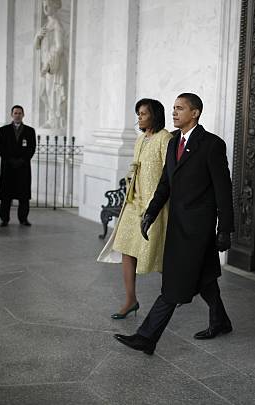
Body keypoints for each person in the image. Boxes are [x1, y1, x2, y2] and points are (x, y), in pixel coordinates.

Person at [113, 93, 234, 355]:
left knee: (174, 283)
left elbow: (224, 190)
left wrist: (225, 229)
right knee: (204, 277)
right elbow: (166, 184)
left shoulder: (212, 144)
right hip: (176, 223)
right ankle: (220, 321)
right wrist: (150, 214)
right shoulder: (173, 143)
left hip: (198, 228)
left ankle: (146, 336)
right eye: (174, 108)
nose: (175, 112)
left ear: (196, 113)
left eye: (180, 108)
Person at [97, 99, 171, 319]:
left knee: (160, 252)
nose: (139, 117)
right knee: (126, 248)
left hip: (154, 205)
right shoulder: (140, 139)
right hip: (133, 203)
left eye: (143, 114)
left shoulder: (164, 138)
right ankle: (130, 299)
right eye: (138, 113)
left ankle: (173, 296)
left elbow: (170, 175)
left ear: (155, 115)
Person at [0, 105, 37, 227]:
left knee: (23, 195)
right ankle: (4, 219)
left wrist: (22, 161)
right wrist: (10, 160)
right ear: (11, 115)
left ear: (23, 115)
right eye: (15, 113)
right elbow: (0, 147)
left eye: (20, 113)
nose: (17, 115)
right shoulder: (3, 130)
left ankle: (23, 219)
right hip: (8, 167)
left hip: (23, 168)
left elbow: (32, 148)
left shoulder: (30, 131)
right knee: (6, 195)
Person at [34, 0, 66, 129]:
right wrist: (37, 37)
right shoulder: (46, 26)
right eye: (44, 5)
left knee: (52, 92)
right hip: (45, 65)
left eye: (48, 5)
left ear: (55, 6)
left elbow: (59, 47)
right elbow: (37, 47)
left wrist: (48, 63)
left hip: (53, 66)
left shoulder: (56, 25)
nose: (45, 7)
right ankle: (51, 118)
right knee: (43, 92)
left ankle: (54, 120)